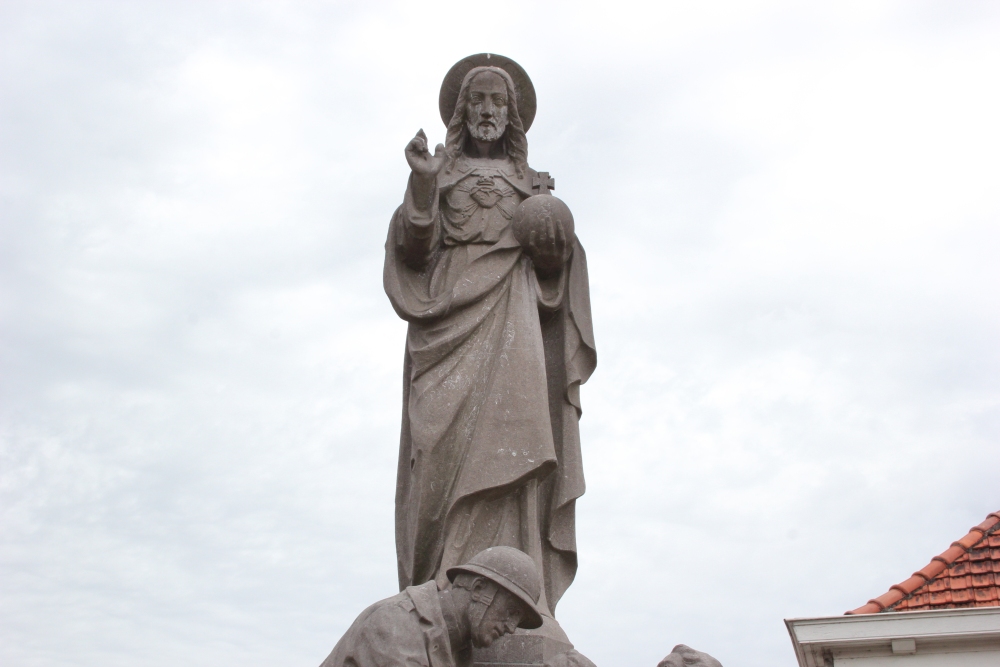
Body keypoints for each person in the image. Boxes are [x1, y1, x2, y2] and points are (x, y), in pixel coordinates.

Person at [384, 55, 596, 626]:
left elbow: (557, 279)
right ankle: (437, 595)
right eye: (477, 100)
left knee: (516, 451)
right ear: (461, 109)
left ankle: (515, 601)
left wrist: (553, 254)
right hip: (445, 327)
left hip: (513, 325)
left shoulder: (535, 187)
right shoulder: (439, 176)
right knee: (436, 458)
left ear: (512, 115)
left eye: (497, 102)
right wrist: (423, 187)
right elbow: (413, 254)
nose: (486, 111)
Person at [319, 547, 544, 667]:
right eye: (511, 612)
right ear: (478, 589)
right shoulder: (397, 623)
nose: (512, 627)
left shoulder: (458, 648)